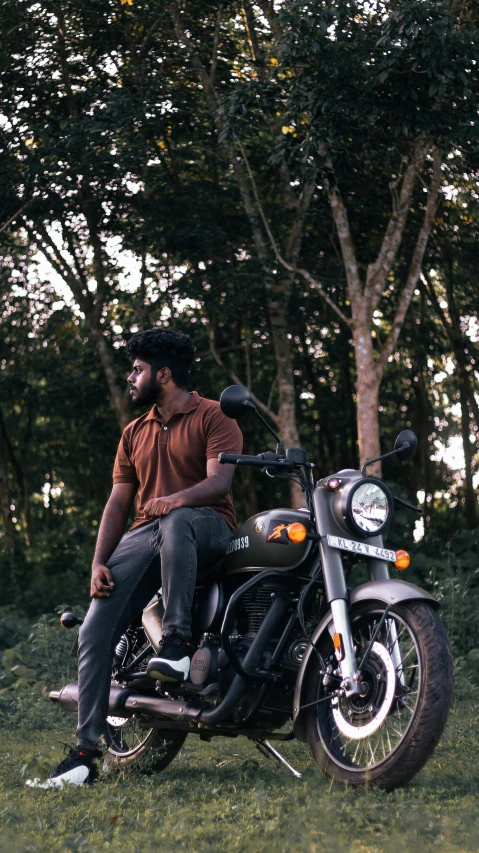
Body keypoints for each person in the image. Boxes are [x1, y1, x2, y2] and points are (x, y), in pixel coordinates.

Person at [27, 327, 242, 788]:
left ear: (163, 374)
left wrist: (176, 500)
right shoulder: (134, 432)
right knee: (94, 627)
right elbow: (118, 503)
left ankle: (178, 644)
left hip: (208, 529)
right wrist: (98, 562)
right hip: (147, 535)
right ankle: (85, 755)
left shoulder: (214, 415)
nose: (131, 376)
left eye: (139, 369)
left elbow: (219, 484)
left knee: (177, 519)